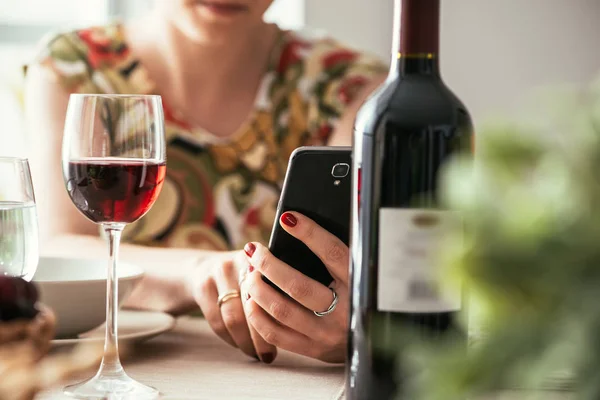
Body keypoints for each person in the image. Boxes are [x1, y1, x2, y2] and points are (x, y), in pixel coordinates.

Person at [24, 0, 386, 364]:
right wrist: (195, 273)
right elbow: (59, 247)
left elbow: (367, 270)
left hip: (283, 369)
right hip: (131, 361)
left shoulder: (349, 84)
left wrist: (361, 325)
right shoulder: (73, 66)